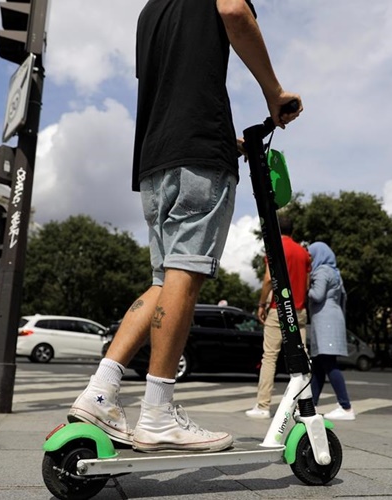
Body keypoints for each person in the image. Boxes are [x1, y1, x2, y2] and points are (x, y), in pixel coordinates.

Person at [68, 0, 302, 453]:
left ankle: (98, 392)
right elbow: (235, 11)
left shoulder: (149, 12)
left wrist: (223, 141)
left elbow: (170, 87)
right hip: (197, 157)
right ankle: (157, 414)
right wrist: (274, 93)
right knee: (187, 271)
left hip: (155, 161)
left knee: (163, 279)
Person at [246, 216, 311, 419]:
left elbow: (267, 280)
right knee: (302, 357)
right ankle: (304, 407)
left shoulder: (275, 248)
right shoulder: (304, 253)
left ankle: (263, 406)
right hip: (299, 310)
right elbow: (307, 285)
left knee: (270, 357)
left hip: (278, 309)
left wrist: (261, 304)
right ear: (293, 230)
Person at [307, 242, 355, 421]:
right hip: (333, 318)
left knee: (328, 363)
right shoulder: (335, 272)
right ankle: (311, 406)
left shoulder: (322, 271)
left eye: (310, 256)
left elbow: (317, 295)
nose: (309, 260)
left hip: (325, 320)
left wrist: (306, 287)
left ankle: (346, 406)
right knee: (319, 365)